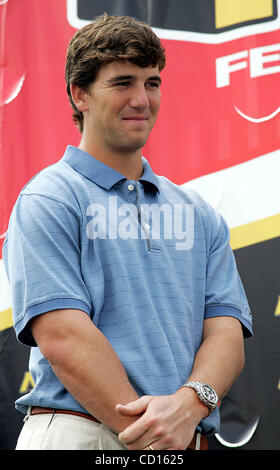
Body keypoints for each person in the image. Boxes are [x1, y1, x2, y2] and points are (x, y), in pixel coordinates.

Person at [3, 13, 252, 451]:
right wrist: (157, 432)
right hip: (83, 433)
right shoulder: (50, 197)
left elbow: (225, 332)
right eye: (122, 83)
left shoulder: (198, 213)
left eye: (151, 83)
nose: (141, 99)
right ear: (80, 94)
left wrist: (191, 405)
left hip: (180, 438)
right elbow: (62, 334)